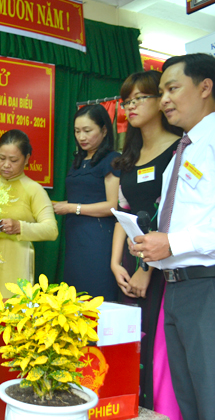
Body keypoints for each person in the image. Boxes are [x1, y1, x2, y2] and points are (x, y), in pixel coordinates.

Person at [131, 53, 215, 420]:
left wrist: (174, 243)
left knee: (214, 398)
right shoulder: (182, 150)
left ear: (205, 87)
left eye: (173, 88)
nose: (165, 100)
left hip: (211, 286)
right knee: (188, 397)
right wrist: (153, 244)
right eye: (162, 92)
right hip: (176, 287)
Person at [109, 71, 182, 417]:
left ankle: (156, 407)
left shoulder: (179, 149)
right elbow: (121, 213)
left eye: (140, 98)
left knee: (154, 341)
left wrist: (146, 271)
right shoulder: (130, 154)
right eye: (127, 100)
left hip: (158, 264)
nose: (131, 106)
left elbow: (168, 217)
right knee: (127, 340)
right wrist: (115, 262)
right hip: (128, 261)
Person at [0, 129, 58, 297]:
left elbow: (51, 230)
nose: (6, 164)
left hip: (15, 266)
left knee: (11, 315)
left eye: (13, 160)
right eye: (1, 158)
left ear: (26, 159)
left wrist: (19, 227)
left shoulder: (34, 190)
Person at [53, 104, 120, 301]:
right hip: (75, 239)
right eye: (77, 131)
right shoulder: (79, 160)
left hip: (98, 239)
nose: (81, 137)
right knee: (75, 298)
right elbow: (82, 197)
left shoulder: (112, 159)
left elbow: (112, 205)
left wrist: (72, 208)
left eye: (87, 131)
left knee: (96, 296)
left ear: (104, 130)